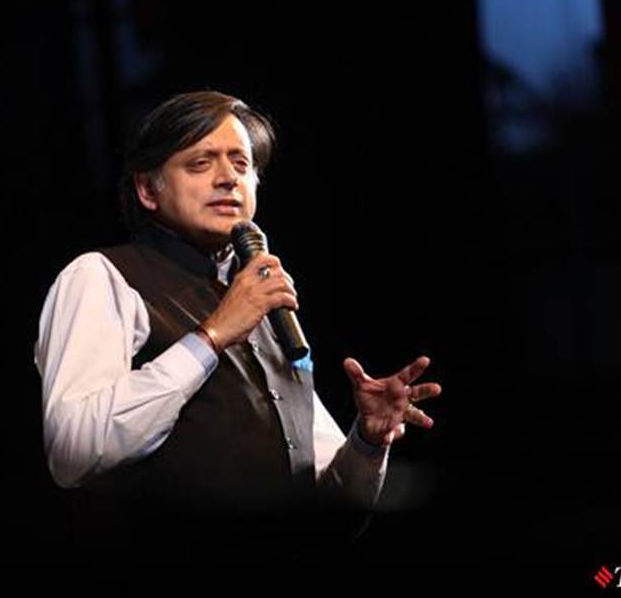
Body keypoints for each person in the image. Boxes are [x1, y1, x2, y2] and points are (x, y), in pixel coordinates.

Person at [34, 90, 442, 558]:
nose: (228, 177)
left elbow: (331, 507)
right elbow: (73, 451)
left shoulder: (261, 303)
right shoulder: (101, 277)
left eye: (241, 164)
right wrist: (210, 338)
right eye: (201, 163)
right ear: (148, 190)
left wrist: (368, 439)